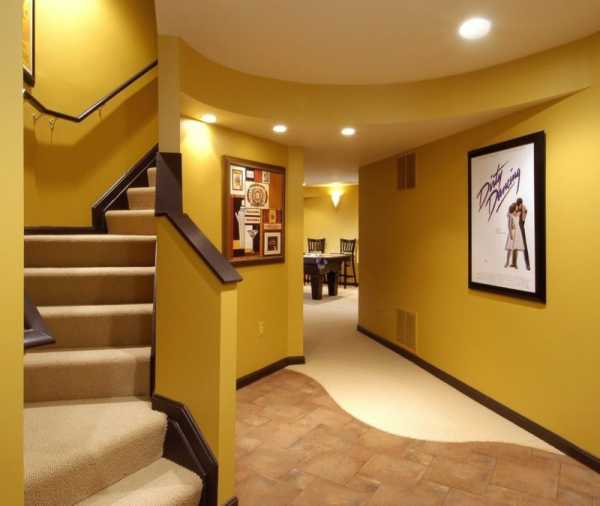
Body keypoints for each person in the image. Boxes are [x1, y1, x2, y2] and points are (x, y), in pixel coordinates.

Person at [504, 203, 525, 268]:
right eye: (516, 206)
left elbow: (523, 212)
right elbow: (509, 225)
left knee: (516, 248)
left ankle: (515, 264)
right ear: (514, 207)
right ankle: (507, 262)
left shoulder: (518, 213)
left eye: (517, 206)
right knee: (510, 248)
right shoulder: (510, 215)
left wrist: (522, 208)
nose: (517, 207)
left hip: (517, 232)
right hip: (512, 232)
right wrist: (510, 234)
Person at [515, 198, 531, 270]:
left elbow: (524, 217)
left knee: (524, 246)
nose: (521, 205)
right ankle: (514, 263)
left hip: (521, 227)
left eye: (522, 204)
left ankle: (528, 265)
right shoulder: (516, 208)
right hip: (516, 228)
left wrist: (523, 213)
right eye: (520, 204)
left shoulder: (523, 208)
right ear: (519, 204)